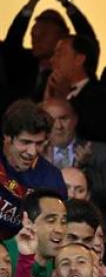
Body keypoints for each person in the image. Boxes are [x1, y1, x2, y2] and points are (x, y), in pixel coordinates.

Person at [0, 100, 66, 237]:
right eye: (25, 142)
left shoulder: (52, 181)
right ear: (7, 137)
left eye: (39, 143)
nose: (32, 152)